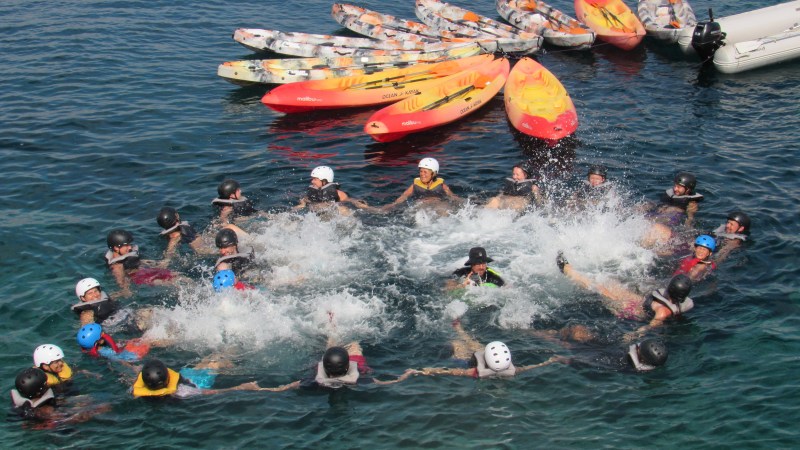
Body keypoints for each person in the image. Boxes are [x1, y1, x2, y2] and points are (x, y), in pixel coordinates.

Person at [557, 252, 694, 336]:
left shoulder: (663, 312)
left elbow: (650, 326)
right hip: (638, 302)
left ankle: (568, 271)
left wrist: (632, 336)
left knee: (599, 289)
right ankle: (574, 272)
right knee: (611, 283)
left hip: (631, 310)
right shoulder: (677, 301)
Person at [408, 320, 561, 379]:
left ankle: (458, 329)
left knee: (457, 343)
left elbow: (446, 371)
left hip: (466, 361)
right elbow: (531, 366)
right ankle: (459, 328)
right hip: (480, 358)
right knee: (474, 344)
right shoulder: (513, 370)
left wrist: (418, 371)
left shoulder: (473, 372)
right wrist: (551, 360)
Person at [261, 341, 413, 391]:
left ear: (324, 367)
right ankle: (332, 325)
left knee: (332, 346)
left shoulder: (310, 381)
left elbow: (280, 388)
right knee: (354, 345)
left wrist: (255, 387)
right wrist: (409, 373)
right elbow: (392, 382)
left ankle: (331, 323)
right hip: (356, 363)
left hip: (336, 362)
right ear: (347, 367)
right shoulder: (363, 381)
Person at [132, 359, 259, 398]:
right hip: (197, 380)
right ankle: (236, 348)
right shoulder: (181, 391)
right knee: (217, 361)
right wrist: (242, 387)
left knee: (212, 360)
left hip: (187, 378)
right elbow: (210, 392)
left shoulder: (139, 393)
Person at [104, 229, 176, 296]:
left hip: (146, 271)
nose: (129, 248)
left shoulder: (125, 255)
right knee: (173, 282)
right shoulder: (117, 266)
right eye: (126, 245)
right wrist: (126, 290)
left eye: (129, 244)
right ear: (116, 248)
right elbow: (121, 282)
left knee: (178, 276)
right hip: (140, 278)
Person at [381, 158, 460, 212]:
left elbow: (453, 197)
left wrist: (467, 203)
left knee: (444, 210)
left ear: (434, 173)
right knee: (418, 214)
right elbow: (403, 197)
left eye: (425, 172)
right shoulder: (414, 186)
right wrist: (387, 207)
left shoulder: (442, 186)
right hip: (422, 205)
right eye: (421, 171)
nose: (422, 174)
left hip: (439, 204)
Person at [294, 166, 369, 215]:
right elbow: (302, 205)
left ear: (324, 181)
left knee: (343, 209)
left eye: (315, 179)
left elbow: (349, 200)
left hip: (331, 215)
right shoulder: (310, 195)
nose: (312, 181)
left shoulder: (338, 193)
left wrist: (357, 202)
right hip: (316, 217)